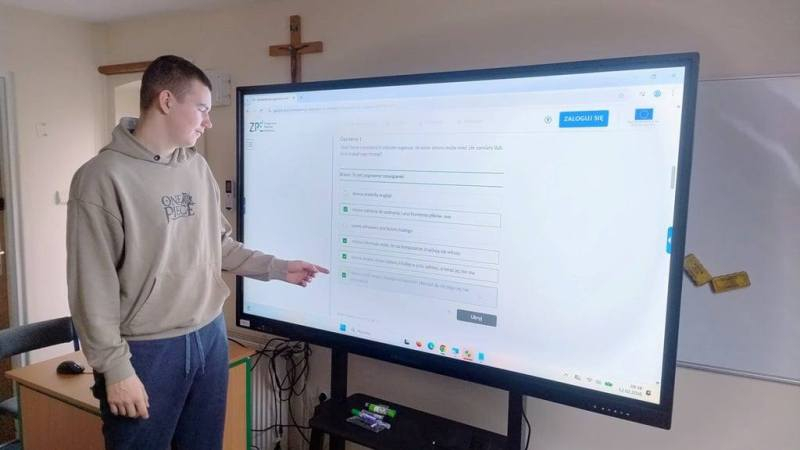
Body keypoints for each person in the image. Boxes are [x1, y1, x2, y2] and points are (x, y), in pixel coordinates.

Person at [66, 55, 328, 450]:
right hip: (147, 349)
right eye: (203, 108)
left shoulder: (196, 167)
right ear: (166, 101)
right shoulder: (100, 177)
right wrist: (115, 368)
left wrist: (277, 268)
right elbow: (92, 287)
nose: (209, 122)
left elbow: (217, 245)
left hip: (209, 334)